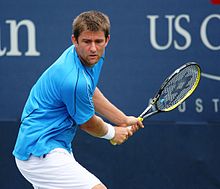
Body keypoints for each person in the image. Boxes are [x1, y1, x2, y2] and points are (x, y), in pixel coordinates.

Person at [13, 10, 144, 189]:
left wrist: (122, 119)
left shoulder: (92, 57)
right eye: (86, 41)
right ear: (74, 40)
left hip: (52, 146)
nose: (93, 48)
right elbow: (87, 123)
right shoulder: (73, 79)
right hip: (40, 152)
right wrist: (113, 133)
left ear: (107, 40)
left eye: (98, 41)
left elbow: (90, 92)